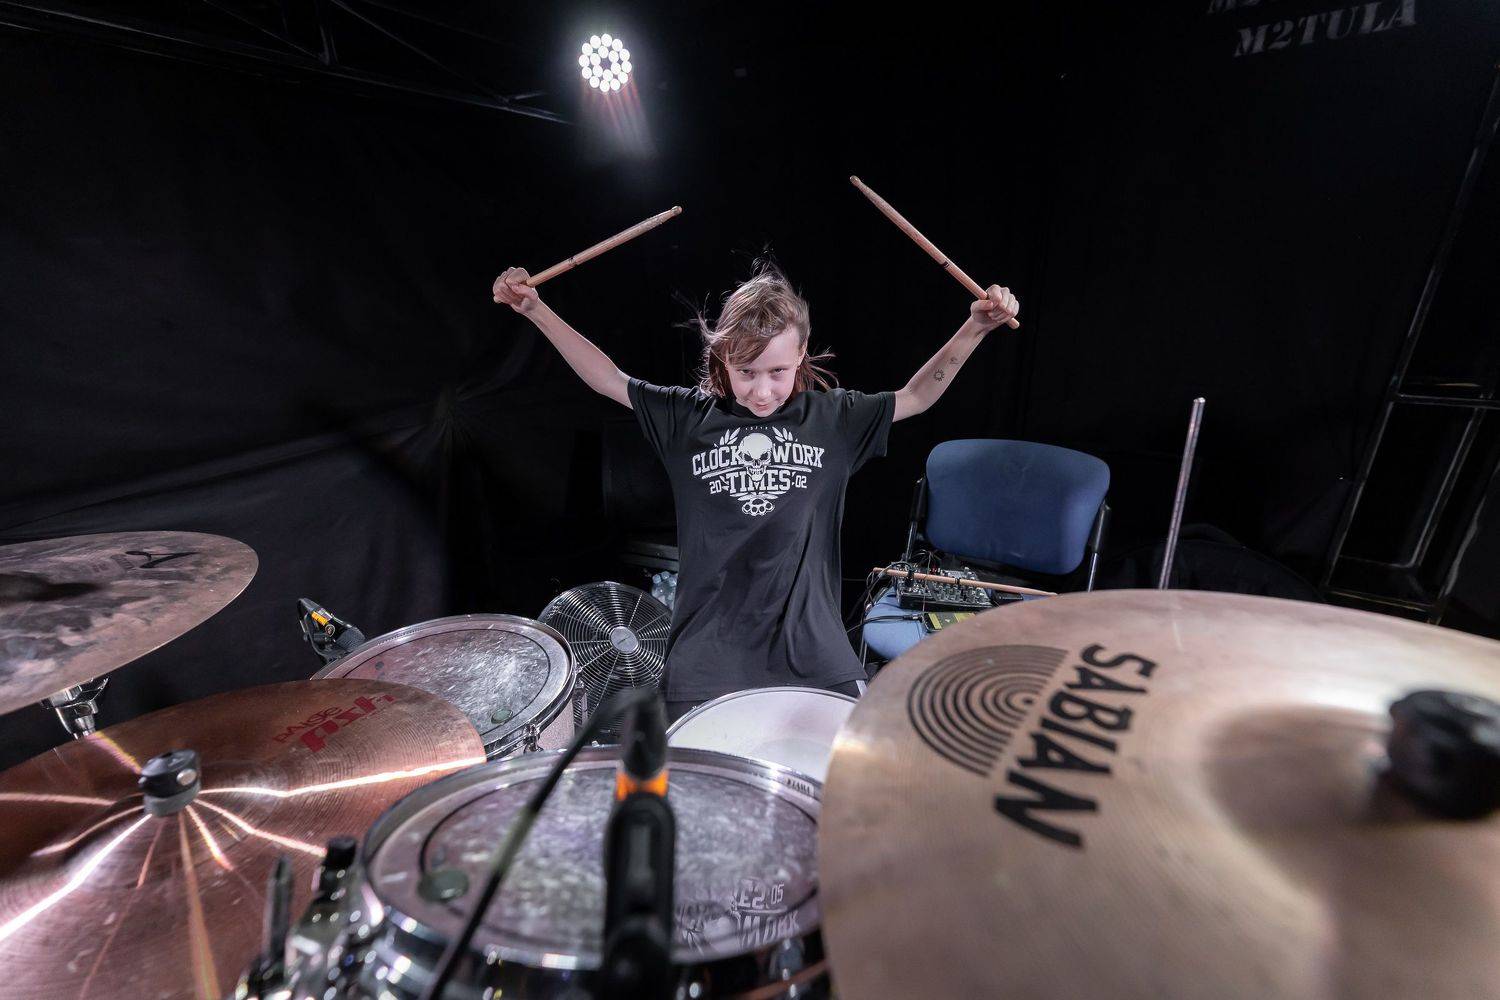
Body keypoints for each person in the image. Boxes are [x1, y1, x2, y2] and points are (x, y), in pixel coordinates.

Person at [493, 259, 1019, 722]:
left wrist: (974, 327)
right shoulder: (686, 420)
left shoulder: (833, 420)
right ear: (722, 357)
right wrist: (536, 310)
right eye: (745, 372)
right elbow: (608, 378)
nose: (762, 391)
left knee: (847, 777)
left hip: (813, 649)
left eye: (777, 372)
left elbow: (916, 396)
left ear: (802, 354)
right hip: (708, 652)